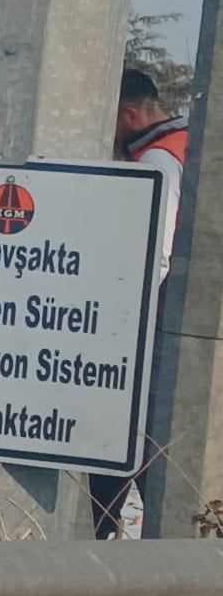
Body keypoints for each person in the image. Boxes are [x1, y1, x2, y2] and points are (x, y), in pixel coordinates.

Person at [90, 68, 189, 539]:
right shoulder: (191, 145)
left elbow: (154, 256)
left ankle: (92, 541)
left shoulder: (158, 161)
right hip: (183, 339)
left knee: (123, 445)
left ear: (130, 115)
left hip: (156, 336)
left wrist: (116, 320)